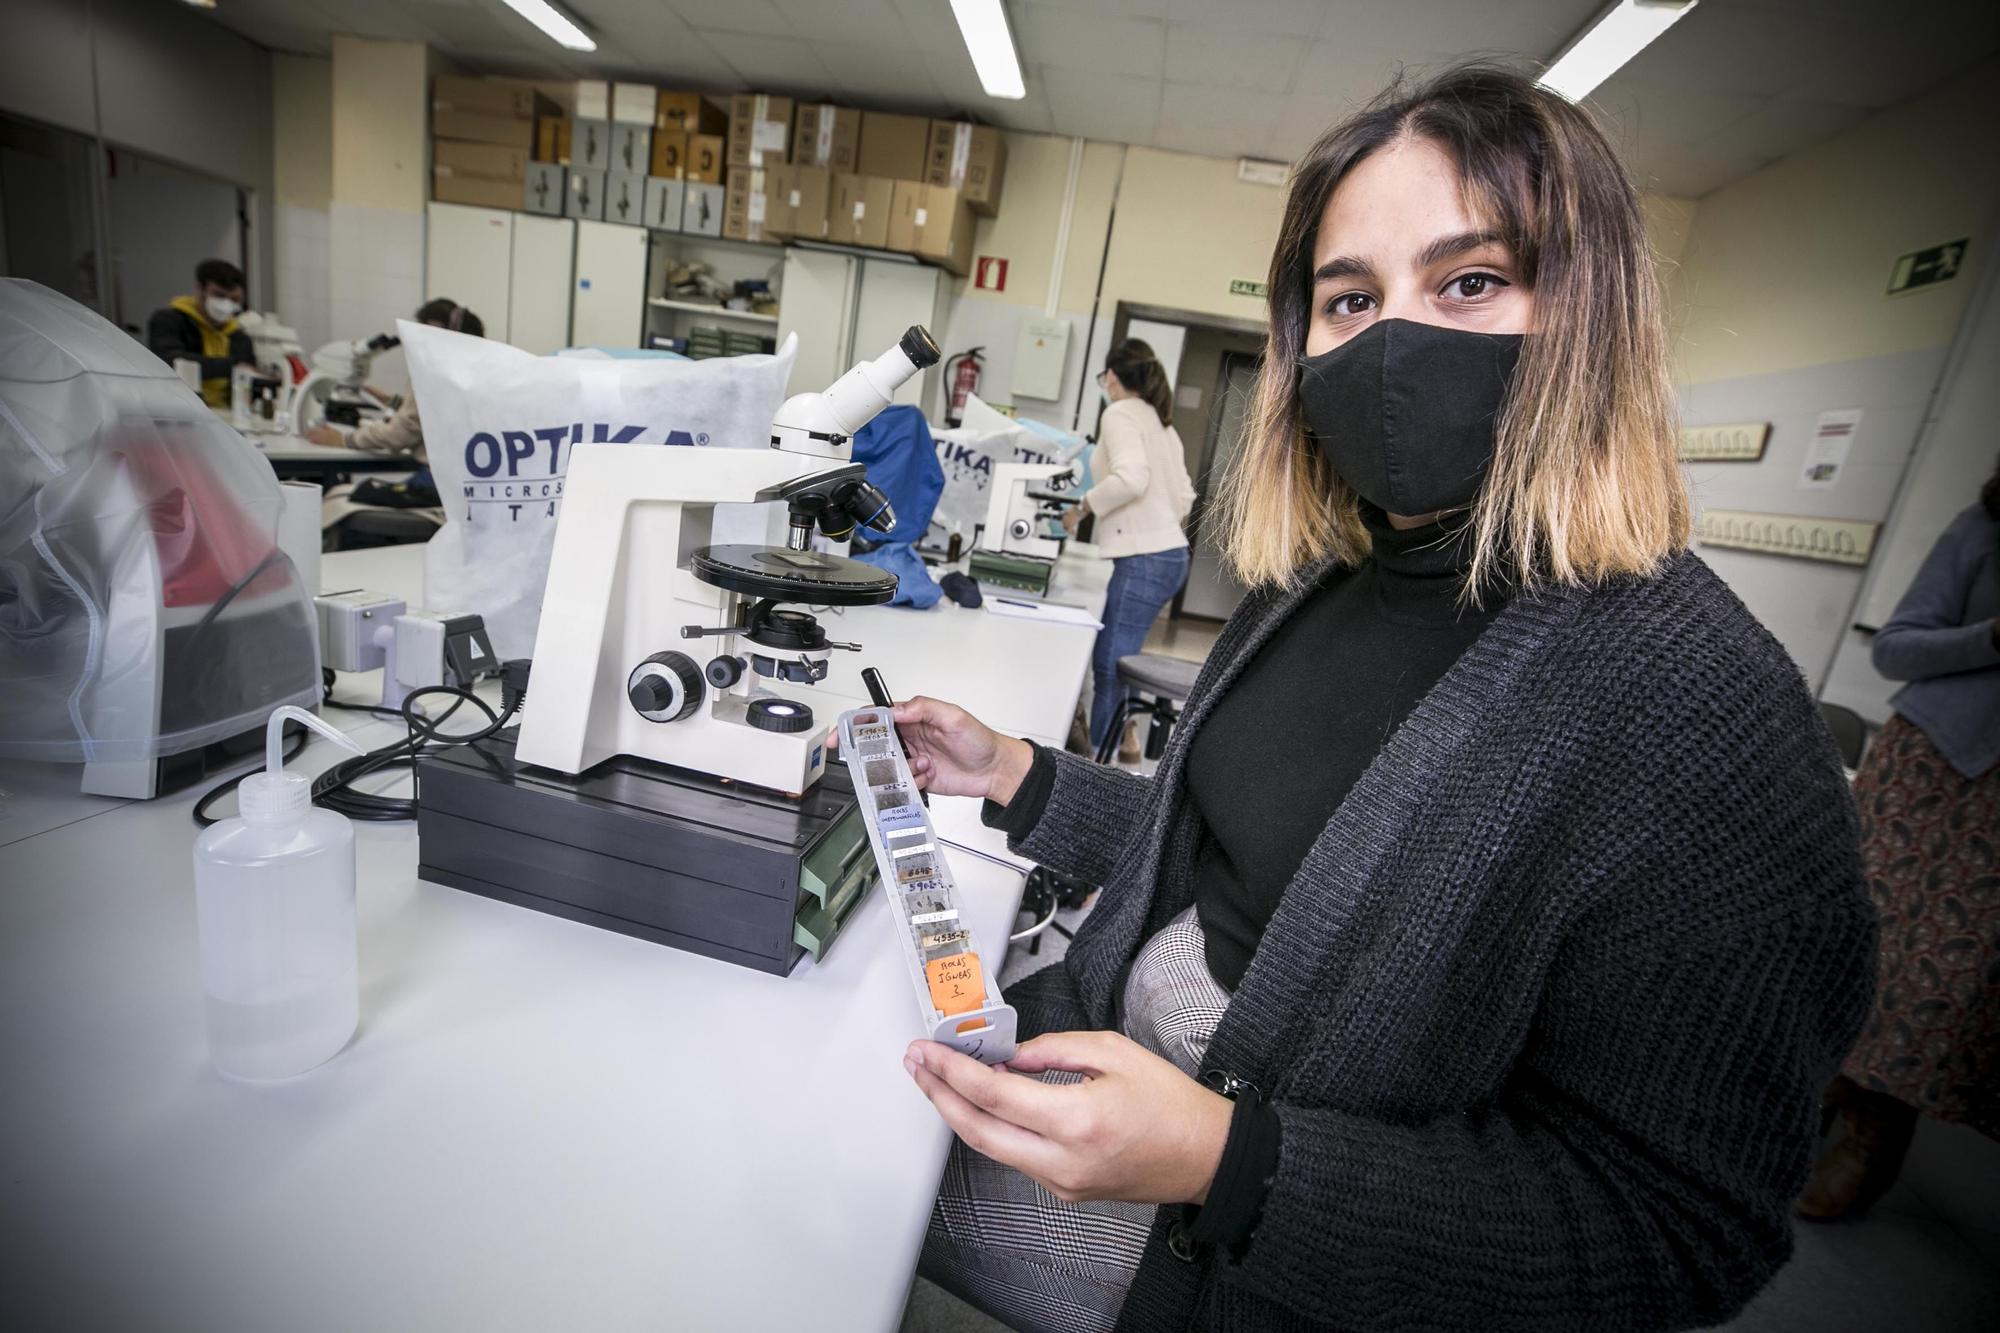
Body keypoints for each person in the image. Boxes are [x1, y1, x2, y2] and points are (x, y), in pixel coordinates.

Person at [893, 63, 1876, 1332]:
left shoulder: (1704, 715)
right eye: (1347, 298)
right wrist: (1019, 776)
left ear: (1588, 316)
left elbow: (1674, 1231)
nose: (1392, 339)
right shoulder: (1314, 579)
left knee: (806, 1195)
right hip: (1104, 1065)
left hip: (1241, 1244)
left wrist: (1227, 1162)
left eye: (1469, 282)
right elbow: (1236, 854)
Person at [1798, 456, 2000, 1221]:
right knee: (1860, 938)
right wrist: (1994, 636)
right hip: (1931, 769)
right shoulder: (1981, 531)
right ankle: (1810, 1087)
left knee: (1949, 982)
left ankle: (1874, 1127)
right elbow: (1897, 649)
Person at [1062, 339, 1197, 756]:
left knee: (1110, 666)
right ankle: (1127, 738)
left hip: (1146, 561)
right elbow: (1185, 497)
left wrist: (1082, 508)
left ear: (1113, 377)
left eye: (1105, 377)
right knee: (1121, 658)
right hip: (1171, 555)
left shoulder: (1119, 413)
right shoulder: (1162, 423)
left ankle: (1098, 763)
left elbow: (1131, 478)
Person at [302, 298, 484, 463]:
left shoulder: (435, 373)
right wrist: (391, 400)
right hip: (473, 481)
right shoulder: (477, 372)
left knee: (338, 496)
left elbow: (398, 436)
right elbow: (433, 417)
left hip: (437, 482)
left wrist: (343, 440)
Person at [147, 258, 252, 408]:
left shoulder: (239, 337)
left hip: (228, 415)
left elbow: (252, 378)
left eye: (234, 299)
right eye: (219, 296)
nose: (226, 304)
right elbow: (171, 361)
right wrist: (233, 366)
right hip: (181, 409)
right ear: (199, 289)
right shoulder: (169, 321)